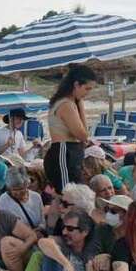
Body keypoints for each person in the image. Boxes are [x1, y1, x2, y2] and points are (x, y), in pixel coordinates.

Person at [44, 64, 97, 194]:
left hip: (68, 152)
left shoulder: (67, 102)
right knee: (68, 194)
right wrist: (81, 105)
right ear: (76, 85)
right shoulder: (66, 104)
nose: (88, 93)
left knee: (70, 194)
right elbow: (83, 135)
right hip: (64, 151)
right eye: (87, 89)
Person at [0, 166, 45, 231]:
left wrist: (37, 231)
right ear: (9, 188)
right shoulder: (3, 200)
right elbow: (2, 226)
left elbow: (42, 222)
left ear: (27, 185)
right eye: (14, 190)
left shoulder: (36, 197)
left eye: (21, 189)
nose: (18, 192)